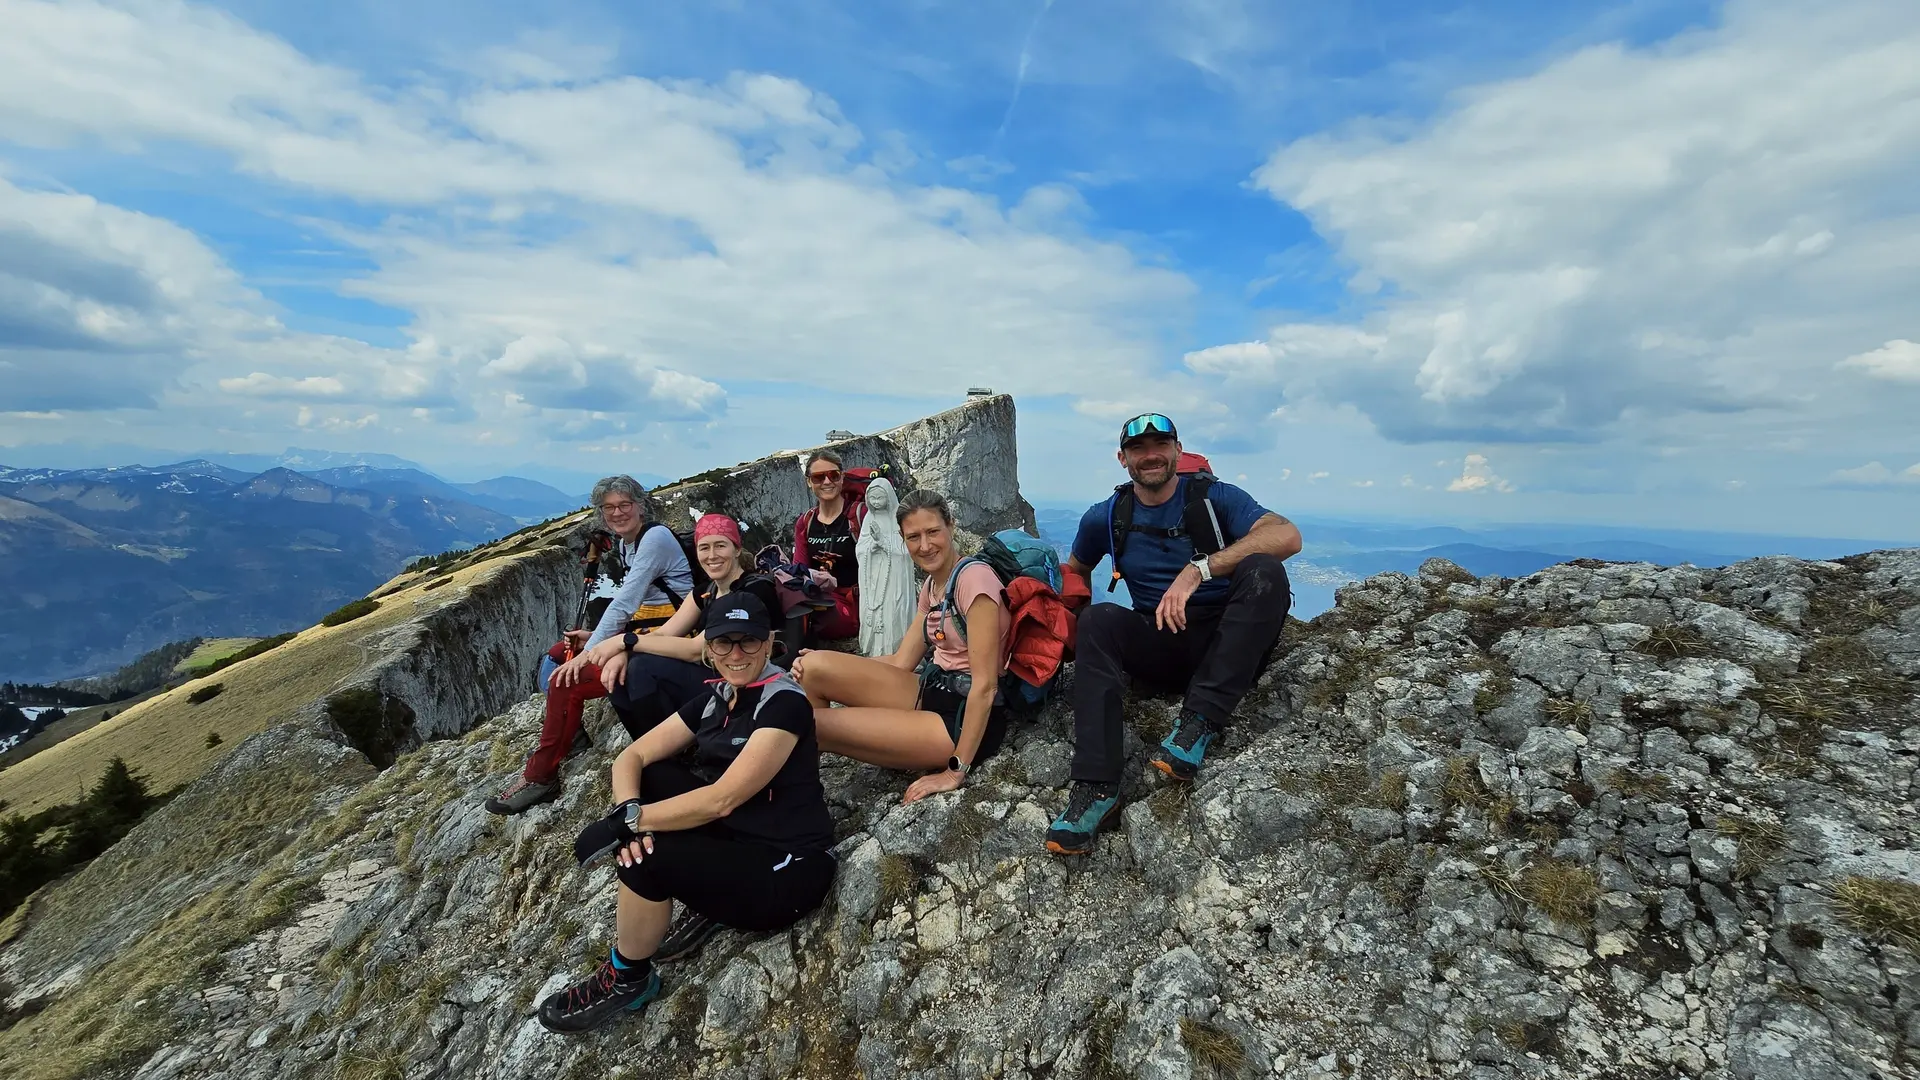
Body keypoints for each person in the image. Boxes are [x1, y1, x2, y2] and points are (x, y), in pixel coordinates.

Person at [535, 593, 836, 1033]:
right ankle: (703, 891)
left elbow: (722, 799)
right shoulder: (718, 697)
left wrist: (629, 825)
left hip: (789, 868)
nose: (736, 654)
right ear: (708, 648)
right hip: (740, 836)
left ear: (769, 644)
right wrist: (629, 811)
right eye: (723, 643)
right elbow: (632, 758)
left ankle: (629, 978)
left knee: (647, 860)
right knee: (653, 778)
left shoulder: (784, 704)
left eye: (748, 642)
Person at [1044, 413, 1301, 855]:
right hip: (1161, 642)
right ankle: (1096, 788)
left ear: (1178, 451)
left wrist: (1200, 569)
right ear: (1122, 459)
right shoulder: (1107, 515)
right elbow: (1078, 570)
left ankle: (1198, 723)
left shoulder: (1215, 497)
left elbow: (1286, 535)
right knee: (1099, 620)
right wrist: (1070, 629)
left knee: (1265, 570)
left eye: (1160, 445)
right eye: (1139, 449)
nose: (1151, 456)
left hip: (1228, 643)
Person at [486, 476, 693, 815]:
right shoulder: (629, 543)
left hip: (668, 641)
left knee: (564, 680)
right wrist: (595, 639)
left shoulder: (653, 539)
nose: (617, 512)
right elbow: (638, 607)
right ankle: (573, 735)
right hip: (644, 631)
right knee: (555, 658)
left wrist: (590, 655)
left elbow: (625, 604)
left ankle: (541, 776)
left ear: (640, 505)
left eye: (625, 504)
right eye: (609, 507)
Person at [792, 489, 1010, 804]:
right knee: (812, 669)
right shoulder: (934, 585)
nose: (925, 545)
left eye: (933, 531)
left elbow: (985, 687)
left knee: (805, 724)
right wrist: (830, 661)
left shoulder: (974, 582)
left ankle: (799, 808)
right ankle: (807, 782)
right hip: (932, 690)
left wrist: (954, 771)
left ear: (951, 525)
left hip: (964, 720)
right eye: (913, 537)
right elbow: (900, 661)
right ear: (902, 538)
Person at [575, 513, 784, 741]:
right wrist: (624, 652)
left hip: (746, 683)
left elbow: (697, 649)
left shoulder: (753, 591)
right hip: (718, 675)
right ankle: (650, 747)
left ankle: (663, 748)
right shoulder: (705, 592)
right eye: (704, 548)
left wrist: (625, 641)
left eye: (720, 546)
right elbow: (665, 632)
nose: (712, 555)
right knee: (620, 671)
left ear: (736, 549)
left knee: (642, 668)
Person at [793, 449, 864, 645]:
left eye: (833, 475)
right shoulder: (805, 522)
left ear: (842, 478)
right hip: (819, 598)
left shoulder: (860, 515)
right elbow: (798, 569)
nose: (827, 482)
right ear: (809, 482)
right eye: (818, 477)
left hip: (856, 604)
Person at [855, 476, 915, 658]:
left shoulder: (898, 520)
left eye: (880, 498)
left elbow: (906, 551)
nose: (876, 502)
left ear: (888, 497)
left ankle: (897, 651)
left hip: (894, 578)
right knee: (873, 614)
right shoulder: (868, 519)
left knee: (893, 611)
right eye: (872, 498)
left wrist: (883, 542)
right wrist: (871, 547)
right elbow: (861, 548)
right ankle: (873, 650)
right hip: (873, 576)